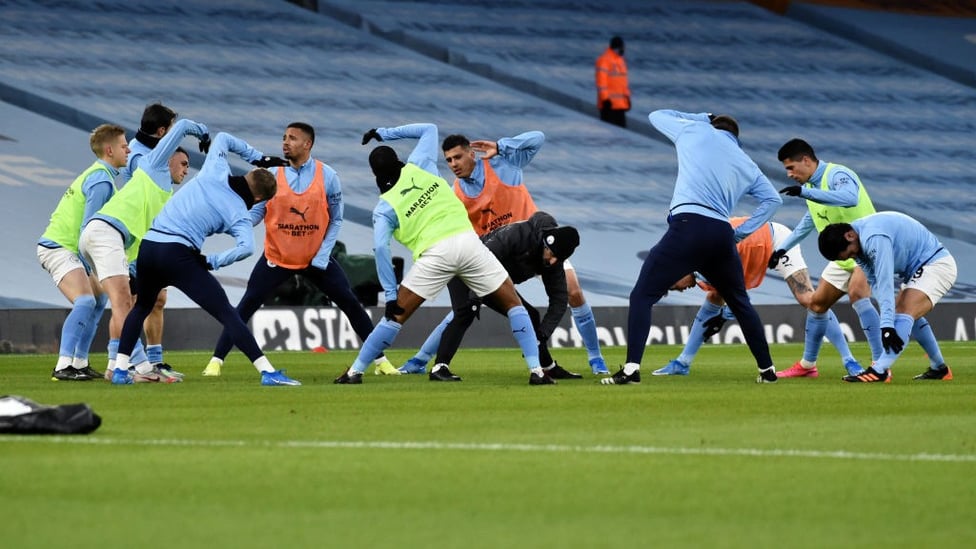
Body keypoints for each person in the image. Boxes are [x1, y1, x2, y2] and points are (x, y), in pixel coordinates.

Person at [334, 122, 548, 385]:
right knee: (514, 305)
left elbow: (380, 248)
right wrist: (383, 133)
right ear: (399, 161)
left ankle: (355, 372)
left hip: (435, 256)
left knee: (395, 317)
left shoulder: (383, 208)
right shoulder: (420, 164)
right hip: (469, 243)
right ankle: (537, 371)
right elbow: (428, 129)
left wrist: (390, 294)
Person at [397, 131, 609, 375]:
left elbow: (537, 138)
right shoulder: (457, 194)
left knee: (572, 291)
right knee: (466, 307)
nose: (454, 164)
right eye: (449, 160)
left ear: (471, 153)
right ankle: (420, 359)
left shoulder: (502, 165)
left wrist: (502, 146)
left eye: (458, 157)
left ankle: (595, 358)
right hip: (500, 254)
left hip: (543, 245)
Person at [202, 122, 397, 376]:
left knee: (351, 304)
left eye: (292, 138)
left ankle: (380, 362)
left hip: (316, 258)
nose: (285, 142)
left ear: (308, 144)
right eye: (284, 137)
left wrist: (324, 254)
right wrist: (237, 224)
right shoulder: (271, 172)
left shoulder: (328, 176)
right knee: (245, 306)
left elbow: (336, 218)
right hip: (277, 256)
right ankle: (216, 362)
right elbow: (260, 208)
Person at [604, 110, 782, 385]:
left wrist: (701, 116)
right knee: (740, 302)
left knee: (642, 295)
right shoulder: (746, 162)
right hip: (722, 233)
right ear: (736, 137)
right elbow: (773, 200)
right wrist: (740, 234)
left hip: (688, 225)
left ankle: (631, 369)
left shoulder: (695, 130)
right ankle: (767, 371)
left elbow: (656, 115)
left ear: (711, 125)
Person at [111, 132, 301, 386]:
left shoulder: (215, 169)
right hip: (178, 254)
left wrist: (259, 158)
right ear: (259, 199)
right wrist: (213, 261)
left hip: (150, 245)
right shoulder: (239, 214)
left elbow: (222, 138)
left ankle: (121, 370)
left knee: (142, 306)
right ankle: (267, 372)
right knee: (227, 313)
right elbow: (246, 248)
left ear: (248, 175)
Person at [771, 138, 947, 376]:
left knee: (859, 294)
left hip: (864, 249)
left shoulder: (836, 174)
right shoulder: (812, 189)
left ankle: (879, 366)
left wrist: (805, 193)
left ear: (806, 160)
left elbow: (850, 197)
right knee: (817, 303)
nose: (789, 174)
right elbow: (809, 221)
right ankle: (807, 365)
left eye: (791, 167)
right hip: (842, 254)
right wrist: (783, 248)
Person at [78, 117, 209, 382]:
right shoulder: (150, 166)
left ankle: (120, 366)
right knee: (125, 303)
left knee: (132, 302)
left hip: (109, 239)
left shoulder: (164, 192)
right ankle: (140, 366)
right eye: (183, 164)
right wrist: (204, 134)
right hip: (108, 236)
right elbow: (179, 127)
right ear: (167, 158)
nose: (186, 170)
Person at [654, 217, 863, 377]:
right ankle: (683, 363)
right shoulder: (697, 261)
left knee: (811, 301)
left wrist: (724, 316)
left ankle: (849, 360)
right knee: (714, 296)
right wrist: (722, 316)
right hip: (751, 250)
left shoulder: (703, 256)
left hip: (775, 241)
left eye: (674, 286)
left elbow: (738, 296)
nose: (680, 290)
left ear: (677, 271)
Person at [402, 211, 584, 381]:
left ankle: (547, 367)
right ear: (546, 242)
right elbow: (483, 258)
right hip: (466, 266)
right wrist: (475, 297)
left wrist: (543, 335)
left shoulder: (553, 263)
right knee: (466, 311)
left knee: (531, 316)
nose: (552, 262)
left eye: (557, 260)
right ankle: (439, 368)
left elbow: (559, 301)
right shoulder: (518, 234)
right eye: (551, 255)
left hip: (497, 281)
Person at [36, 124, 129, 381]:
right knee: (86, 300)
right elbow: (89, 229)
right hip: (59, 247)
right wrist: (90, 265)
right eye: (123, 146)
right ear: (109, 150)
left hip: (67, 246)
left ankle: (79, 362)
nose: (128, 149)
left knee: (98, 301)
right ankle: (63, 365)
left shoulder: (101, 175)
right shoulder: (101, 180)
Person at [818, 212, 956, 382]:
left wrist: (887, 326)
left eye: (850, 253)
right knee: (907, 313)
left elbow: (885, 282)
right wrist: (887, 323)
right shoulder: (858, 241)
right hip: (919, 269)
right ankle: (939, 368)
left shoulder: (874, 238)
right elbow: (875, 282)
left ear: (849, 235)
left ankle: (879, 370)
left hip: (936, 264)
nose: (853, 257)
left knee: (904, 310)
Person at [122, 102, 181, 378]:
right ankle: (129, 362)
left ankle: (155, 359)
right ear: (161, 131)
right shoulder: (137, 155)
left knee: (158, 299)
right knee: (133, 301)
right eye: (171, 130)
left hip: (153, 235)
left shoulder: (155, 151)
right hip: (134, 237)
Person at [595, 36, 630, 127]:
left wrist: (627, 98)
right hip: (609, 105)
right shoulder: (604, 60)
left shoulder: (620, 60)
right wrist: (605, 99)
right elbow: (601, 82)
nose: (623, 50)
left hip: (620, 106)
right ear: (617, 47)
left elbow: (623, 82)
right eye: (622, 48)